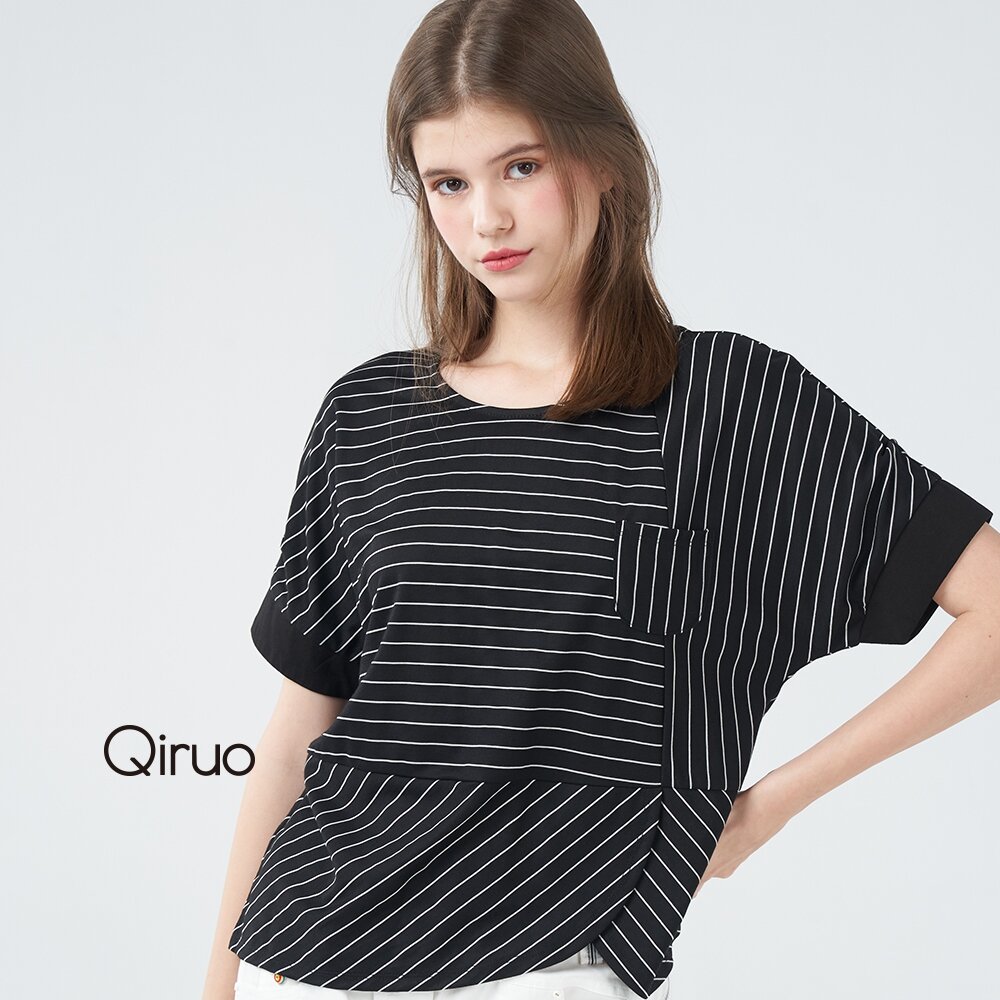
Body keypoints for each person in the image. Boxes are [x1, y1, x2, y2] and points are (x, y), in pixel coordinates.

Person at [201, 2, 1000, 999]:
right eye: (449, 183)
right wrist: (217, 985)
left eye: (520, 167)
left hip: (552, 967)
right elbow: (297, 732)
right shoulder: (370, 415)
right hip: (310, 951)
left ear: (604, 159)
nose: (486, 220)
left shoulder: (728, 405)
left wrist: (765, 810)